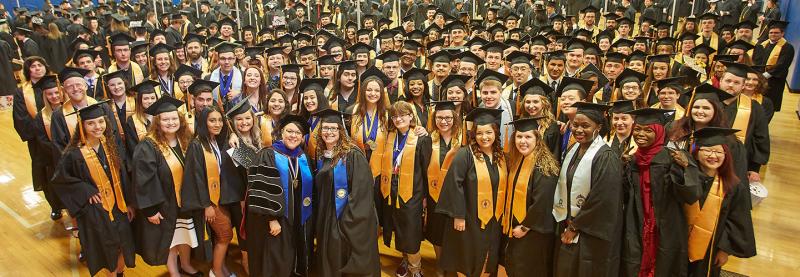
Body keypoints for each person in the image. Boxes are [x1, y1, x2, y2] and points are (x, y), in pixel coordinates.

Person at [51, 101, 136, 277]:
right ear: (82, 125)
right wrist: (85, 190)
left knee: (123, 244)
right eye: (91, 123)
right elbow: (60, 180)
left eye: (101, 121)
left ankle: (120, 273)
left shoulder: (110, 144)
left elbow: (122, 177)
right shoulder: (74, 153)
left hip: (118, 206)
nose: (97, 127)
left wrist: (128, 203)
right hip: (96, 211)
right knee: (107, 248)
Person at [619, 108, 701, 276]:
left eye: (648, 130)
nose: (641, 134)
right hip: (637, 222)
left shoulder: (674, 158)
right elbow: (623, 194)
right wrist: (621, 167)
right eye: (637, 129)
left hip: (666, 224)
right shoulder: (632, 159)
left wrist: (687, 167)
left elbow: (691, 195)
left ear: (659, 133)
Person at [132, 96, 204, 277]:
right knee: (170, 240)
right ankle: (174, 272)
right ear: (157, 122)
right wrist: (150, 209)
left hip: (185, 201)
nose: (171, 122)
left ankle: (186, 264)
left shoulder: (185, 139)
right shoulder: (148, 146)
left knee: (185, 235)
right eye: (165, 119)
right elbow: (143, 180)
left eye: (174, 118)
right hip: (164, 204)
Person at [552, 102, 623, 277]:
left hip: (590, 234)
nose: (579, 130)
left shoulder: (606, 156)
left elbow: (602, 199)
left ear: (598, 127)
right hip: (570, 225)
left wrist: (575, 226)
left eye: (585, 126)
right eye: (575, 125)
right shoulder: (574, 149)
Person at [436, 107, 507, 277]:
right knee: (467, 257)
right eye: (479, 133)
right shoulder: (465, 154)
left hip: (494, 219)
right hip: (469, 218)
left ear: (495, 133)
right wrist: (458, 215)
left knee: (488, 255)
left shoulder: (500, 156)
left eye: (488, 132)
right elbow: (453, 184)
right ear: (473, 134)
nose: (484, 137)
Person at [312, 108, 380, 277]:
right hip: (327, 217)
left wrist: (346, 221)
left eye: (333, 128)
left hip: (347, 217)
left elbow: (362, 192)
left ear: (341, 130)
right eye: (325, 128)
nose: (328, 132)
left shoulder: (353, 155)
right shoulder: (322, 155)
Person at [245, 114, 315, 276]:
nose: (293, 136)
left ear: (302, 137)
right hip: (277, 219)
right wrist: (272, 219)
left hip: (298, 218)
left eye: (298, 133)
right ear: (282, 132)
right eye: (289, 131)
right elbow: (261, 188)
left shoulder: (303, 156)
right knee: (276, 256)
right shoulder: (268, 154)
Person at [181, 106, 246, 277]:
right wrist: (206, 205)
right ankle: (216, 271)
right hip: (210, 201)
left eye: (219, 120)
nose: (217, 124)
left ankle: (221, 268)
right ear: (204, 122)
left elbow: (244, 161)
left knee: (221, 236)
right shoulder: (197, 145)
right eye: (212, 120)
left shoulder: (217, 140)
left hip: (222, 197)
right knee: (225, 235)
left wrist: (233, 135)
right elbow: (196, 178)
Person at [686, 127, 756, 277]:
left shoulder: (733, 186)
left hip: (711, 247)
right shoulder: (684, 179)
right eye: (707, 150)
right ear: (696, 153)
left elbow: (737, 220)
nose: (713, 156)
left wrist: (725, 249)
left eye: (719, 152)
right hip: (680, 242)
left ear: (726, 155)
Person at [502, 117, 560, 277]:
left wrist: (525, 227)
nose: (522, 141)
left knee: (531, 270)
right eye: (519, 136)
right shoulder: (519, 159)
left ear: (537, 139)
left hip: (534, 232)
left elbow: (543, 202)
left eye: (528, 137)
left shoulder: (544, 166)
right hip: (519, 228)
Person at [378, 101, 427, 277]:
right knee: (399, 227)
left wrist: (425, 196)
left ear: (411, 116)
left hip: (413, 190)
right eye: (395, 116)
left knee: (410, 229)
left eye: (402, 115)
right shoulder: (390, 137)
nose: (398, 119)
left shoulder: (421, 138)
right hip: (392, 189)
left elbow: (426, 170)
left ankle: (416, 268)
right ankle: (405, 260)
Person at [753, 20, 794, 111]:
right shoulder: (763, 44)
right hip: (761, 78)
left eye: (776, 33)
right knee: (758, 101)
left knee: (770, 103)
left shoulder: (787, 47)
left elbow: (782, 65)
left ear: (782, 33)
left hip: (775, 80)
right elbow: (757, 60)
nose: (773, 34)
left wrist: (765, 75)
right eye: (771, 32)